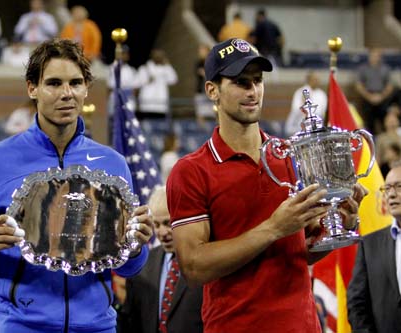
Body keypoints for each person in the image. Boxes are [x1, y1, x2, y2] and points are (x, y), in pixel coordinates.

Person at [0, 38, 153, 333]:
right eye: (54, 83)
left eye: (75, 83)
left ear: (86, 88)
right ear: (32, 88)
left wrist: (135, 246)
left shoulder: (112, 164)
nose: (66, 93)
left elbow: (130, 267)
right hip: (21, 325)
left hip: (97, 326)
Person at [165, 38, 366, 333]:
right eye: (240, 82)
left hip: (302, 325)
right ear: (212, 91)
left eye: (258, 81)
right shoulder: (191, 171)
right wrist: (273, 228)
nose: (253, 91)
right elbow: (194, 267)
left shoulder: (291, 155)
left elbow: (302, 250)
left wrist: (340, 222)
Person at [122, 186, 203, 333]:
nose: (162, 232)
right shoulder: (143, 265)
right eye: (157, 225)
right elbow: (131, 319)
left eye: (168, 223)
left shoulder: (206, 260)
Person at [347, 164, 401, 332]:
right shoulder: (369, 244)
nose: (391, 194)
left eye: (399, 186)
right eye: (387, 188)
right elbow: (357, 303)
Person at [355, 48, 396, 135]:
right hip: (367, 97)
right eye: (373, 55)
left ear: (380, 57)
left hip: (382, 97)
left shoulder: (385, 69)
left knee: (385, 120)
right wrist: (369, 96)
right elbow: (359, 85)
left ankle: (386, 140)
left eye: (377, 55)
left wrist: (381, 96)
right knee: (368, 123)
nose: (374, 57)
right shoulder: (363, 69)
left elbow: (390, 86)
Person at [136, 49, 178, 120]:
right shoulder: (144, 68)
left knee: (161, 127)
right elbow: (136, 84)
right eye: (157, 55)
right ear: (152, 56)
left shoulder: (166, 69)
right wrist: (147, 80)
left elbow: (174, 80)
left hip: (161, 106)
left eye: (161, 55)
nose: (159, 57)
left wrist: (168, 65)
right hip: (147, 105)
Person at [285, 71, 327, 137]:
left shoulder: (322, 94)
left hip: (316, 126)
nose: (317, 81)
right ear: (309, 80)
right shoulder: (300, 92)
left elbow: (323, 112)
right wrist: (303, 104)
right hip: (300, 125)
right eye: (315, 79)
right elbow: (295, 109)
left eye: (318, 79)